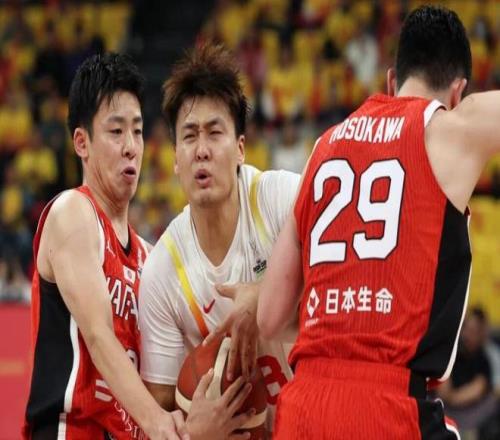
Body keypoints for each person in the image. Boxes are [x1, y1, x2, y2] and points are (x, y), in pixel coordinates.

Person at [258, 5, 500, 439]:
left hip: (304, 404)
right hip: (386, 406)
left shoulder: (322, 147)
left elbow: (269, 317)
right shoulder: (451, 129)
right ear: (458, 92)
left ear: (391, 81)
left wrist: (343, 323)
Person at [23, 53, 188, 440]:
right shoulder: (72, 213)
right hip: (69, 430)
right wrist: (159, 423)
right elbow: (98, 336)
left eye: (138, 131)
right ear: (82, 142)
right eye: (116, 132)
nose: (131, 147)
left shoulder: (150, 256)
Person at [138, 43, 300, 439]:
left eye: (215, 133)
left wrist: (267, 297)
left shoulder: (282, 200)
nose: (202, 151)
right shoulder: (162, 273)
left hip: (317, 417)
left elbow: (349, 282)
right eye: (189, 136)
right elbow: (160, 416)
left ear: (241, 149)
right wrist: (195, 434)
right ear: (175, 158)